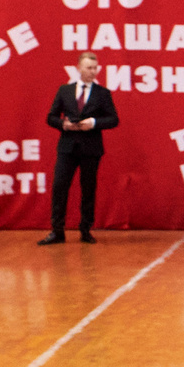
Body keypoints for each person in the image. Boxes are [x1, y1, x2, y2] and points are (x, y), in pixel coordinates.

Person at [41, 53, 120, 246]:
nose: (93, 72)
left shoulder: (103, 93)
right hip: (67, 147)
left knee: (88, 189)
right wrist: (64, 124)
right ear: (79, 68)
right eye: (89, 68)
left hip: (90, 148)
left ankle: (85, 229)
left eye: (95, 68)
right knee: (59, 187)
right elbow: (51, 117)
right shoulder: (65, 90)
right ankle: (57, 231)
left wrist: (93, 123)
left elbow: (113, 119)